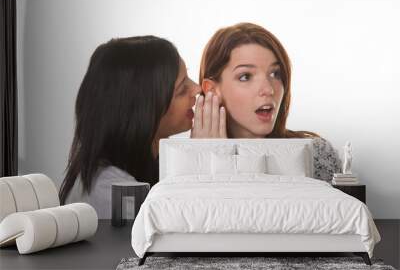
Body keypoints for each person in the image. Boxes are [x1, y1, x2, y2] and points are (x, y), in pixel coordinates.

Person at [59, 36, 201, 218]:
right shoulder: (110, 191)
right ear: (141, 109)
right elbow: (181, 232)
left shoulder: (150, 167)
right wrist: (202, 163)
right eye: (182, 89)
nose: (197, 89)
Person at [196, 22, 341, 181]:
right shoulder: (189, 160)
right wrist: (213, 156)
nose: (268, 89)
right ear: (211, 90)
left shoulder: (316, 154)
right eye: (246, 76)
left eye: (275, 74)